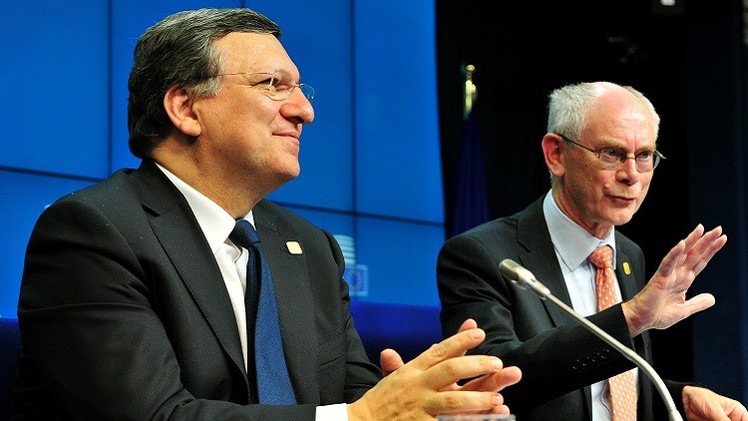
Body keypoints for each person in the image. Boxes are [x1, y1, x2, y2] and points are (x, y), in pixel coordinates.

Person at [11, 7, 522, 421]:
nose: (304, 111)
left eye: (300, 89)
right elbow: (152, 415)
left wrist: (428, 409)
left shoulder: (311, 247)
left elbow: (351, 398)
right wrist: (364, 416)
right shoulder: (94, 232)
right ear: (186, 108)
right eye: (273, 84)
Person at [437, 81, 748, 421]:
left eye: (644, 155)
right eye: (611, 153)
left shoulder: (628, 255)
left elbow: (609, 394)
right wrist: (629, 318)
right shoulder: (480, 255)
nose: (631, 175)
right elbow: (492, 383)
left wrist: (679, 398)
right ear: (556, 155)